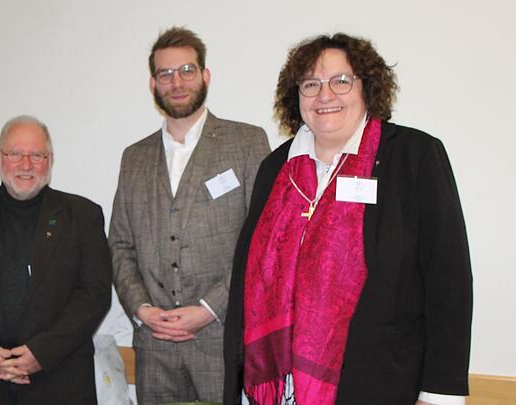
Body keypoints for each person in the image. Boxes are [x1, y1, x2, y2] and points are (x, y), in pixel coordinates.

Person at [223, 33, 473, 405]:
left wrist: (440, 393)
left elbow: (448, 281)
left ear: (367, 87)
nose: (325, 95)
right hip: (276, 388)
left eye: (341, 81)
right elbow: (248, 280)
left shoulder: (414, 156)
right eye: (311, 83)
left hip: (383, 385)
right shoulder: (276, 168)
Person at [109, 27, 270, 404]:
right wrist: (141, 309)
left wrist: (210, 308)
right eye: (165, 74)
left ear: (205, 75)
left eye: (186, 70)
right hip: (153, 347)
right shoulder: (134, 158)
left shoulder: (247, 143)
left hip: (222, 341)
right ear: (153, 83)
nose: (176, 82)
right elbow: (120, 244)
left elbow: (261, 243)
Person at [0, 115, 112, 404]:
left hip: (59, 382)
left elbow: (94, 295)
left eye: (36, 155)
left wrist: (41, 353)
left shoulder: (83, 216)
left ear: (51, 160)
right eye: (15, 154)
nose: (26, 165)